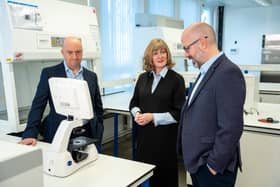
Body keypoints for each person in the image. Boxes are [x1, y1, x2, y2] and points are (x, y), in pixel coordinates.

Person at [178, 22, 246, 187]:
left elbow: (231, 127)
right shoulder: (206, 70)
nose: (186, 55)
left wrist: (213, 165)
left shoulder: (227, 72)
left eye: (187, 48)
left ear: (202, 42)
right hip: (199, 164)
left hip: (212, 170)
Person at [19, 36, 104, 149]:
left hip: (87, 133)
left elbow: (98, 107)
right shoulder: (50, 74)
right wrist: (30, 133)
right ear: (62, 53)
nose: (74, 56)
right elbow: (38, 105)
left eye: (78, 52)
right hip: (60, 132)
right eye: (70, 52)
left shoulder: (91, 76)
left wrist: (99, 128)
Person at [129, 38, 186, 187]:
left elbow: (179, 113)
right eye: (156, 53)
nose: (160, 56)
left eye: (163, 52)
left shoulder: (176, 80)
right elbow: (134, 102)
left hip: (165, 143)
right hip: (144, 141)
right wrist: (137, 114)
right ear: (149, 57)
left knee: (164, 181)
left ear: (168, 55)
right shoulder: (142, 78)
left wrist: (153, 117)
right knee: (143, 178)